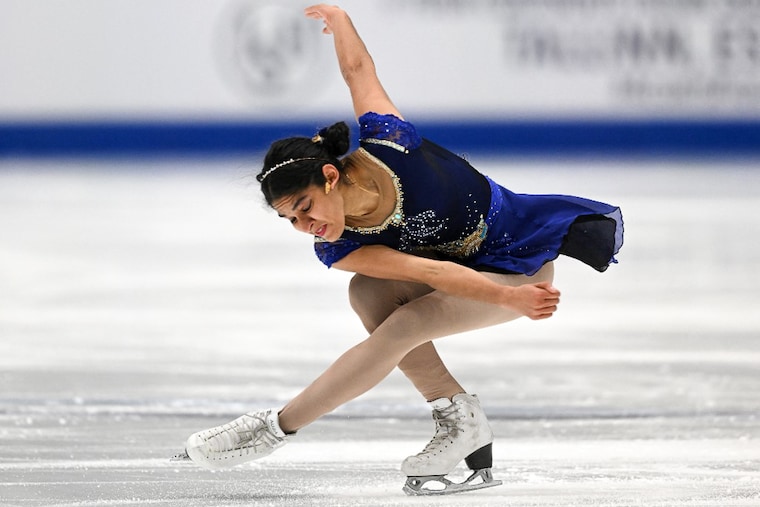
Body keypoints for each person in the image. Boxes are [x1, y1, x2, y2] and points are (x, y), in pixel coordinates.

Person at [178, 4, 623, 496]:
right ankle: (458, 417)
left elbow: (358, 72)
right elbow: (428, 271)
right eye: (291, 220)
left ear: (330, 177)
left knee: (407, 324)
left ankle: (274, 429)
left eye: (305, 208)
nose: (306, 227)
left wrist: (341, 20)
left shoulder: (393, 144)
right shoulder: (339, 245)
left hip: (520, 269)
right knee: (367, 294)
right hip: (466, 275)